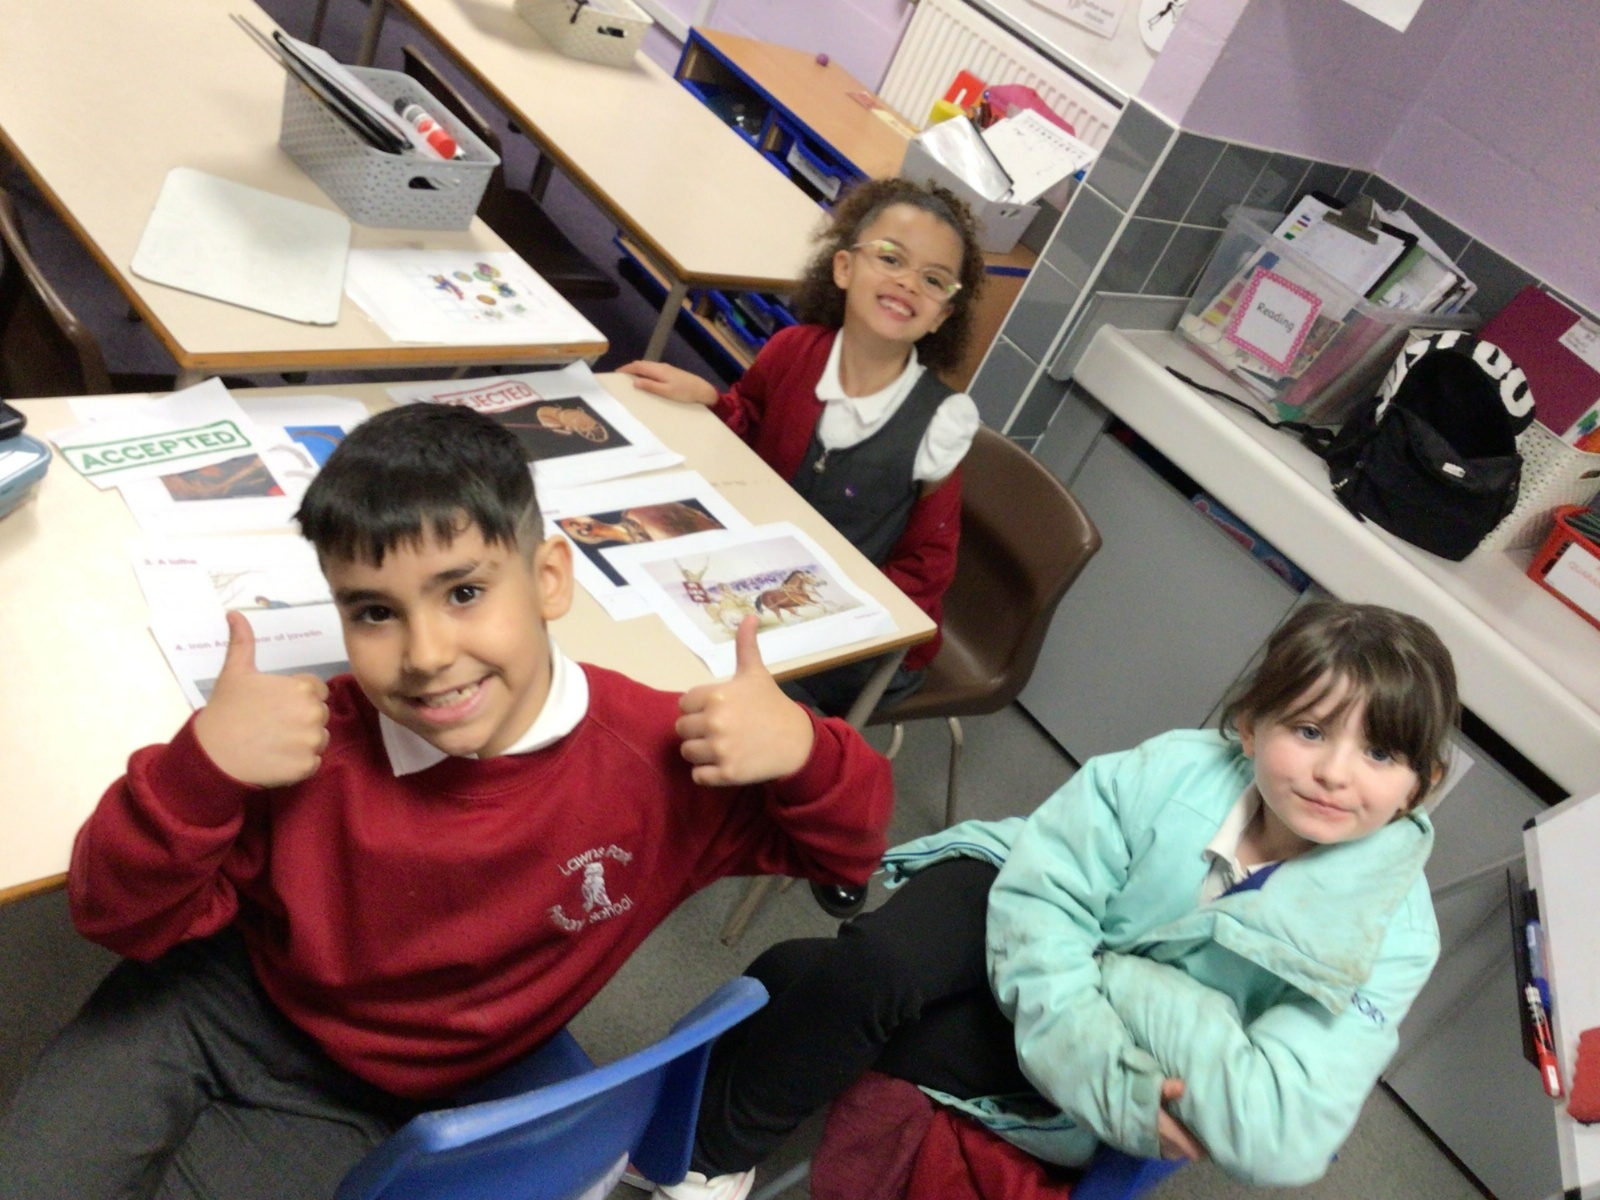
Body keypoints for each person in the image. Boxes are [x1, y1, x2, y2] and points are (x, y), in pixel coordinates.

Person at [0, 403, 894, 1200]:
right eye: (374, 612)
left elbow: (847, 854)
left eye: (464, 592)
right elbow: (113, 915)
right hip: (216, 1007)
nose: (426, 655)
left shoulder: (658, 756)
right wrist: (198, 770)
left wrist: (808, 749)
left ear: (549, 578)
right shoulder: (306, 747)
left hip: (402, 1097)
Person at [686, 600, 1458, 1195]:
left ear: (1421, 786)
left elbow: (1283, 1132)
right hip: (1022, 891)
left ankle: (757, 1054)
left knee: (828, 994)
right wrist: (1118, 983)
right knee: (875, 967)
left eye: (1379, 752)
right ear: (1251, 728)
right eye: (1311, 731)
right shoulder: (1175, 768)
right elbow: (1042, 897)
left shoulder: (1396, 935)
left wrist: (1112, 988)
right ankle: (707, 1160)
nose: (1335, 773)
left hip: (1117, 1040)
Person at [619, 176, 986, 721]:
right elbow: (748, 424)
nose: (908, 282)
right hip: (749, 574)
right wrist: (711, 401)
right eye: (891, 258)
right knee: (642, 607)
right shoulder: (793, 349)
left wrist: (833, 615)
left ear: (942, 315)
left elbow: (926, 568)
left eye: (933, 279)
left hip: (846, 641)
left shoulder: (941, 423)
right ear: (844, 268)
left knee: (691, 696)